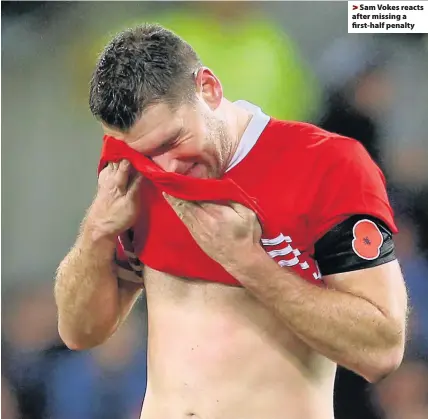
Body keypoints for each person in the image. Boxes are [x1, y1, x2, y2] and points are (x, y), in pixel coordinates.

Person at [55, 24, 408, 419]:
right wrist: (96, 232)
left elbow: (382, 351)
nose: (166, 168)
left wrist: (250, 264)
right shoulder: (133, 167)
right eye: (146, 154)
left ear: (208, 88)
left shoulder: (327, 166)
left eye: (173, 142)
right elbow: (79, 333)